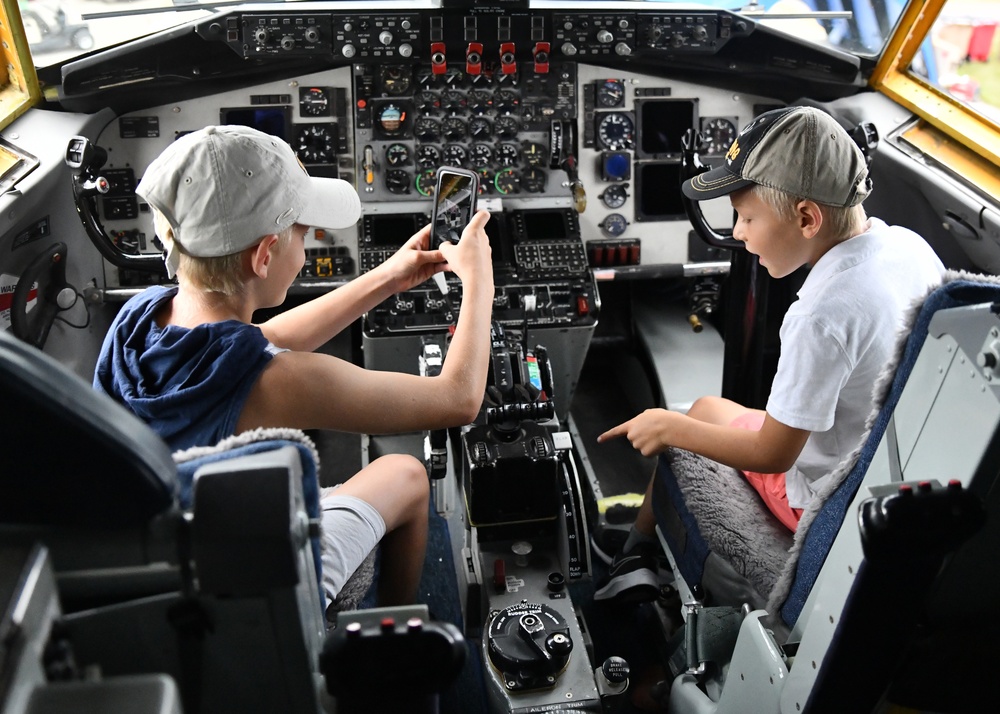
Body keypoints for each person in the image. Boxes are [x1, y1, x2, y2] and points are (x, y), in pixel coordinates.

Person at [93, 125, 495, 617]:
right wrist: (479, 283)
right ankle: (389, 635)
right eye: (303, 234)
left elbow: (260, 343)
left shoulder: (139, 318)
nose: (306, 246)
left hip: (169, 557)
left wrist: (389, 277)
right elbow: (458, 399)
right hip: (262, 586)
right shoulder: (282, 383)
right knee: (407, 475)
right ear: (265, 255)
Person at [592, 105, 946, 603]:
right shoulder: (910, 247)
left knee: (691, 420)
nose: (737, 232)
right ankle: (638, 549)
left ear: (806, 217)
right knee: (711, 410)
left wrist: (667, 428)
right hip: (885, 476)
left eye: (746, 216)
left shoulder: (820, 316)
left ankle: (631, 560)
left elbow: (775, 454)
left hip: (822, 503)